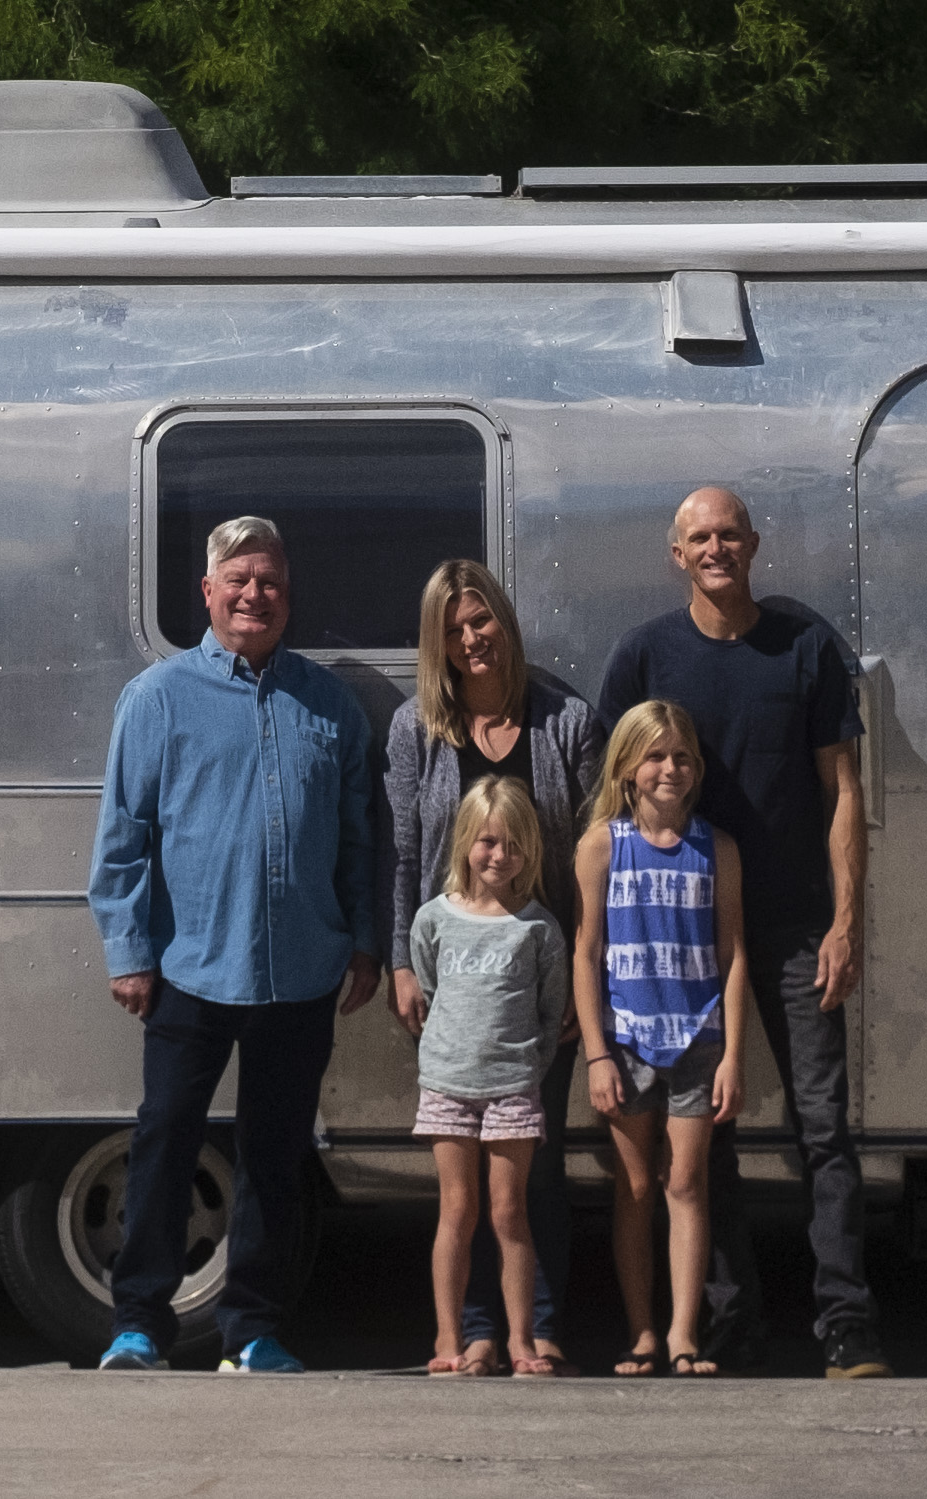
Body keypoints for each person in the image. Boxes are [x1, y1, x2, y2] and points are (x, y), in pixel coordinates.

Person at [594, 486, 888, 1378]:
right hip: (684, 936)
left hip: (797, 923)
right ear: (674, 554)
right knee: (704, 1129)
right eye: (698, 537)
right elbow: (612, 790)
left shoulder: (804, 648)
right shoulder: (645, 652)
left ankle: (844, 1319)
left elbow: (843, 789)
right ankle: (725, 1316)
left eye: (729, 533)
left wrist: (845, 922)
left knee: (823, 1126)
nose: (715, 547)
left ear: (753, 543)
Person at [85, 515, 381, 1374]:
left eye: (272, 582)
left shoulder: (327, 705)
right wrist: (128, 949)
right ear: (208, 592)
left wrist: (362, 940)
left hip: (302, 968)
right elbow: (122, 837)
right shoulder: (159, 698)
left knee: (275, 1158)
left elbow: (360, 837)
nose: (257, 594)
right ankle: (138, 1323)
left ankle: (252, 1328)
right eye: (240, 579)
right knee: (165, 1142)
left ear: (289, 597)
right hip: (187, 968)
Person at [384, 556, 599, 1371]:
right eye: (454, 628)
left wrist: (585, 972)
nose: (472, 638)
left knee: (533, 1170)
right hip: (449, 984)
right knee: (461, 1185)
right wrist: (404, 963)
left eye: (481, 621)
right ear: (436, 643)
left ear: (504, 622)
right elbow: (404, 853)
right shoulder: (417, 729)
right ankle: (471, 1329)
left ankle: (535, 1324)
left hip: (539, 976)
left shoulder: (566, 721)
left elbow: (591, 856)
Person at [572, 698, 751, 1377]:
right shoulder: (601, 845)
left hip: (698, 1041)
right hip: (625, 1039)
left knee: (686, 1184)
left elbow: (732, 951)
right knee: (636, 1185)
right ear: (626, 767)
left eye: (681, 756)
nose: (668, 768)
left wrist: (733, 1052)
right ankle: (641, 1330)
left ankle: (682, 1333)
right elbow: (586, 952)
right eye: (654, 755)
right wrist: (595, 1052)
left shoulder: (717, 847)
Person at [406, 777, 571, 1377]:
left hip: (512, 1089)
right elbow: (429, 989)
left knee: (509, 1213)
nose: (499, 856)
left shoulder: (538, 929)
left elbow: (552, 1012)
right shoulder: (434, 920)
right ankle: (450, 1339)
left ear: (530, 851)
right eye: (487, 842)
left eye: (513, 845)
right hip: (448, 1083)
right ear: (465, 845)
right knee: (457, 1210)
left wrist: (524, 1066)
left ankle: (523, 1340)